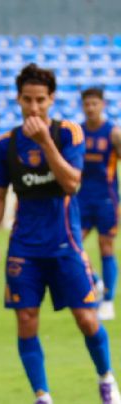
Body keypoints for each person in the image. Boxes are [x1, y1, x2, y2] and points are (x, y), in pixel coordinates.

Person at [0, 63, 120, 404]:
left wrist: (45, 142)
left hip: (66, 244)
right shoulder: (6, 145)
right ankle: (42, 396)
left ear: (51, 99)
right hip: (24, 248)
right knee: (26, 320)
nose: (34, 107)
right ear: (18, 99)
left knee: (87, 319)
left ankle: (106, 377)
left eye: (40, 100)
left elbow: (72, 183)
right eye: (27, 99)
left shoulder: (68, 134)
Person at [78, 87, 120, 320]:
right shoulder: (77, 133)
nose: (91, 108)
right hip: (82, 198)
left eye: (95, 104)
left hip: (106, 199)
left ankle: (108, 301)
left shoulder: (113, 133)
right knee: (73, 244)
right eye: (87, 104)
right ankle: (96, 281)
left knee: (106, 247)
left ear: (103, 105)